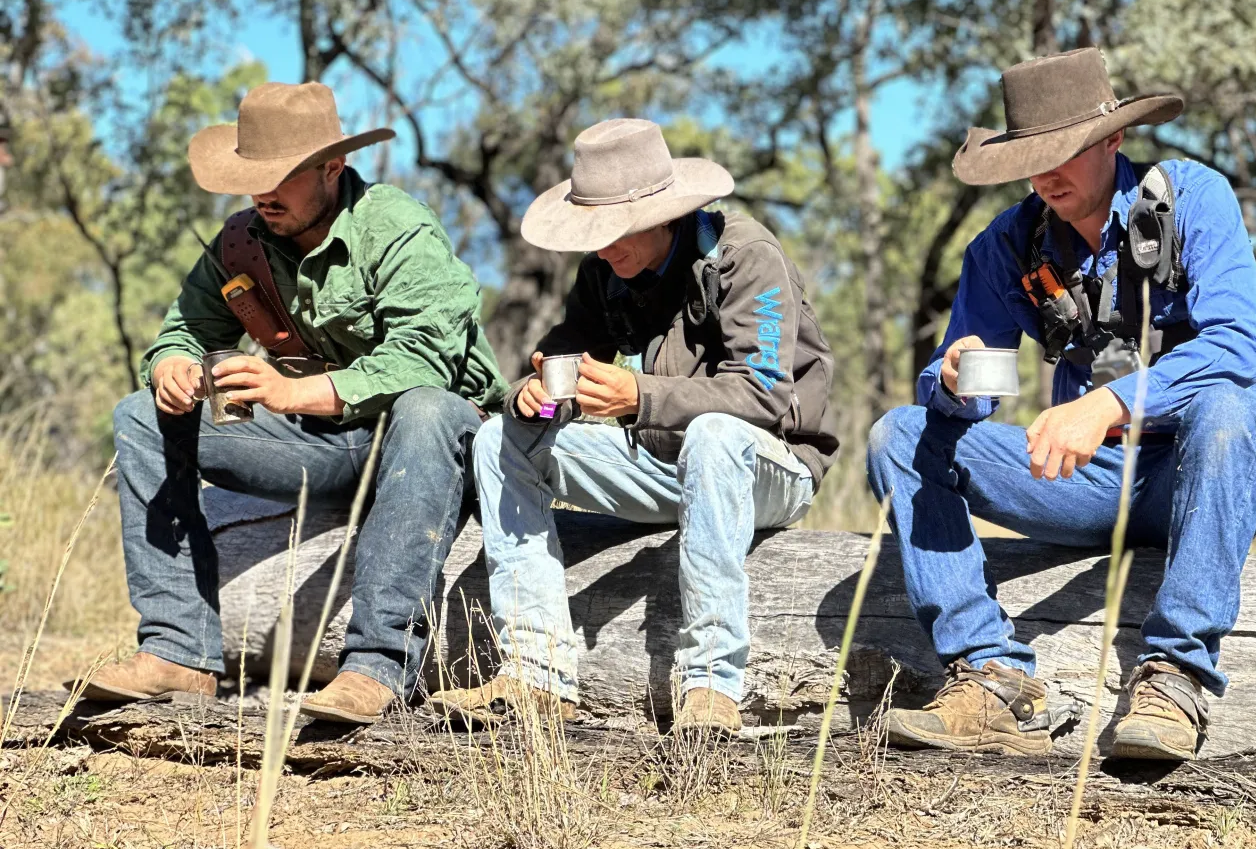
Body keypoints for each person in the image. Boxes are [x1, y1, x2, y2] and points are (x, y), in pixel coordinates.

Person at [867, 48, 1256, 761]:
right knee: (899, 434)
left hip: (1200, 472)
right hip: (1084, 483)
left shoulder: (1193, 198)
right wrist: (955, 380)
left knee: (1228, 410)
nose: (1046, 176)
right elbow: (975, 385)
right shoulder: (1006, 246)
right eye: (1030, 159)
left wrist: (1108, 405)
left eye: (1062, 153)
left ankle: (1175, 677)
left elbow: (1242, 346)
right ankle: (992, 679)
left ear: (1114, 138)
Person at [76, 81, 507, 724]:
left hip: (429, 450)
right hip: (328, 445)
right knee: (139, 416)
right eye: (251, 179)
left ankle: (377, 667)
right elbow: (184, 332)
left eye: (279, 177)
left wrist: (291, 391)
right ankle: (177, 652)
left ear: (333, 167)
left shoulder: (398, 228)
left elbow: (425, 360)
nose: (262, 195)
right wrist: (171, 367)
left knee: (426, 407)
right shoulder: (242, 241)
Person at [427, 119, 839, 734]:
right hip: (661, 464)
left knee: (715, 436)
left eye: (611, 231)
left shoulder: (745, 256)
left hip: (770, 466)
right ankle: (535, 674)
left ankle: (711, 685)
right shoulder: (603, 273)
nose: (600, 249)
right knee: (498, 438)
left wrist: (639, 396)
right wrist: (533, 398)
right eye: (591, 233)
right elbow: (561, 358)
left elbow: (764, 396)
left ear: (663, 216)